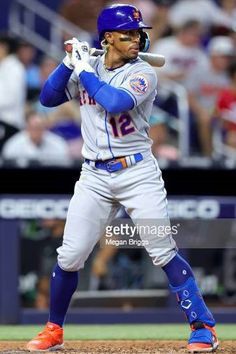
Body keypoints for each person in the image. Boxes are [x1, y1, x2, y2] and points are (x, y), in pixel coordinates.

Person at [26, 4, 218, 353]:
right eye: (127, 34)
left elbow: (114, 102)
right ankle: (54, 329)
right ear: (108, 39)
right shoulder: (89, 66)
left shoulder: (144, 72)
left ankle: (203, 326)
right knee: (70, 256)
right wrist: (69, 63)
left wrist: (84, 71)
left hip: (137, 172)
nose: (136, 39)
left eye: (138, 33)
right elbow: (47, 98)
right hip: (93, 174)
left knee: (162, 249)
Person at [1, 110, 72, 167]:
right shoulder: (13, 145)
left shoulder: (58, 144)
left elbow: (64, 165)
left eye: (39, 128)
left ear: (45, 128)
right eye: (33, 128)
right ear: (27, 128)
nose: (36, 131)